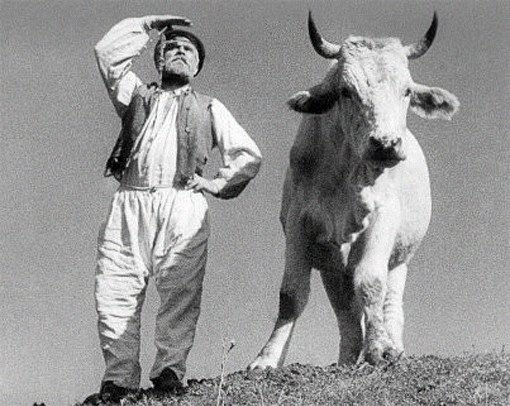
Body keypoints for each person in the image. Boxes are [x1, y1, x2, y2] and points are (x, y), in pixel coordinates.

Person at [85, 14, 262, 404]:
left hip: (182, 203)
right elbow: (107, 54)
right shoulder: (135, 95)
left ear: (196, 67)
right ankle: (118, 381)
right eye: (173, 48)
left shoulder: (209, 107)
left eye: (189, 51)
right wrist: (147, 24)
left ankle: (169, 373)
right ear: (159, 59)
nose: (181, 52)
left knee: (180, 292)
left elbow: (248, 155)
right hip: (129, 202)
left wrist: (216, 184)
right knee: (115, 290)